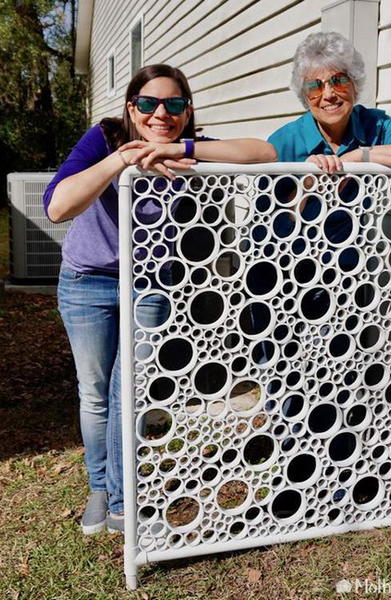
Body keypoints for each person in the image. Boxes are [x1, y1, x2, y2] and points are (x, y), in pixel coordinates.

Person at [43, 64, 276, 535]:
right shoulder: (105, 138)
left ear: (187, 111)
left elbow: (263, 152)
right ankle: (99, 488)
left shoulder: (187, 147)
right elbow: (58, 205)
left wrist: (179, 148)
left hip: (148, 285)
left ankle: (122, 503)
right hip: (86, 282)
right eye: (148, 104)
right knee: (95, 391)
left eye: (174, 105)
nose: (160, 113)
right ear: (132, 107)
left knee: (126, 391)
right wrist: (121, 161)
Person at [268, 31, 391, 174]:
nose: (329, 94)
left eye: (339, 81)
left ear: (355, 84)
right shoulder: (285, 142)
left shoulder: (375, 126)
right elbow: (265, 215)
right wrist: (307, 184)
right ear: (305, 96)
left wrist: (362, 155)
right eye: (315, 87)